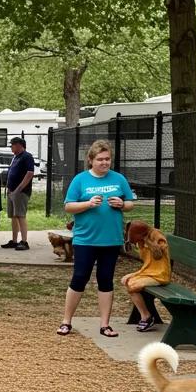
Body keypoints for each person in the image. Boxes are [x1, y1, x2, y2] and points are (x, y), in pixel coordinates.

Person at [58, 139, 135, 338]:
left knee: (106, 279)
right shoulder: (80, 180)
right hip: (85, 239)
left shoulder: (118, 179)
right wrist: (88, 204)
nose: (104, 162)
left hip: (111, 240)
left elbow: (130, 203)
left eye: (107, 159)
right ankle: (66, 321)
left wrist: (122, 204)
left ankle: (105, 325)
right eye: (100, 159)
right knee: (79, 278)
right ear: (91, 160)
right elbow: (68, 206)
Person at [121, 225, 171, 331]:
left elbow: (158, 254)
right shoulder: (141, 240)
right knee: (126, 281)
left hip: (160, 274)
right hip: (149, 272)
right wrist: (135, 274)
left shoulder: (156, 235)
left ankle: (146, 317)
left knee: (133, 286)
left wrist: (148, 242)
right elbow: (147, 262)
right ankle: (145, 314)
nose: (137, 244)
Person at [1, 136, 35, 251]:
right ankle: (14, 240)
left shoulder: (27, 156)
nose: (11, 147)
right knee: (13, 216)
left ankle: (24, 241)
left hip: (20, 192)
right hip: (12, 191)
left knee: (20, 215)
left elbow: (29, 174)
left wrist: (18, 189)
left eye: (12, 145)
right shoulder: (15, 157)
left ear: (19, 145)